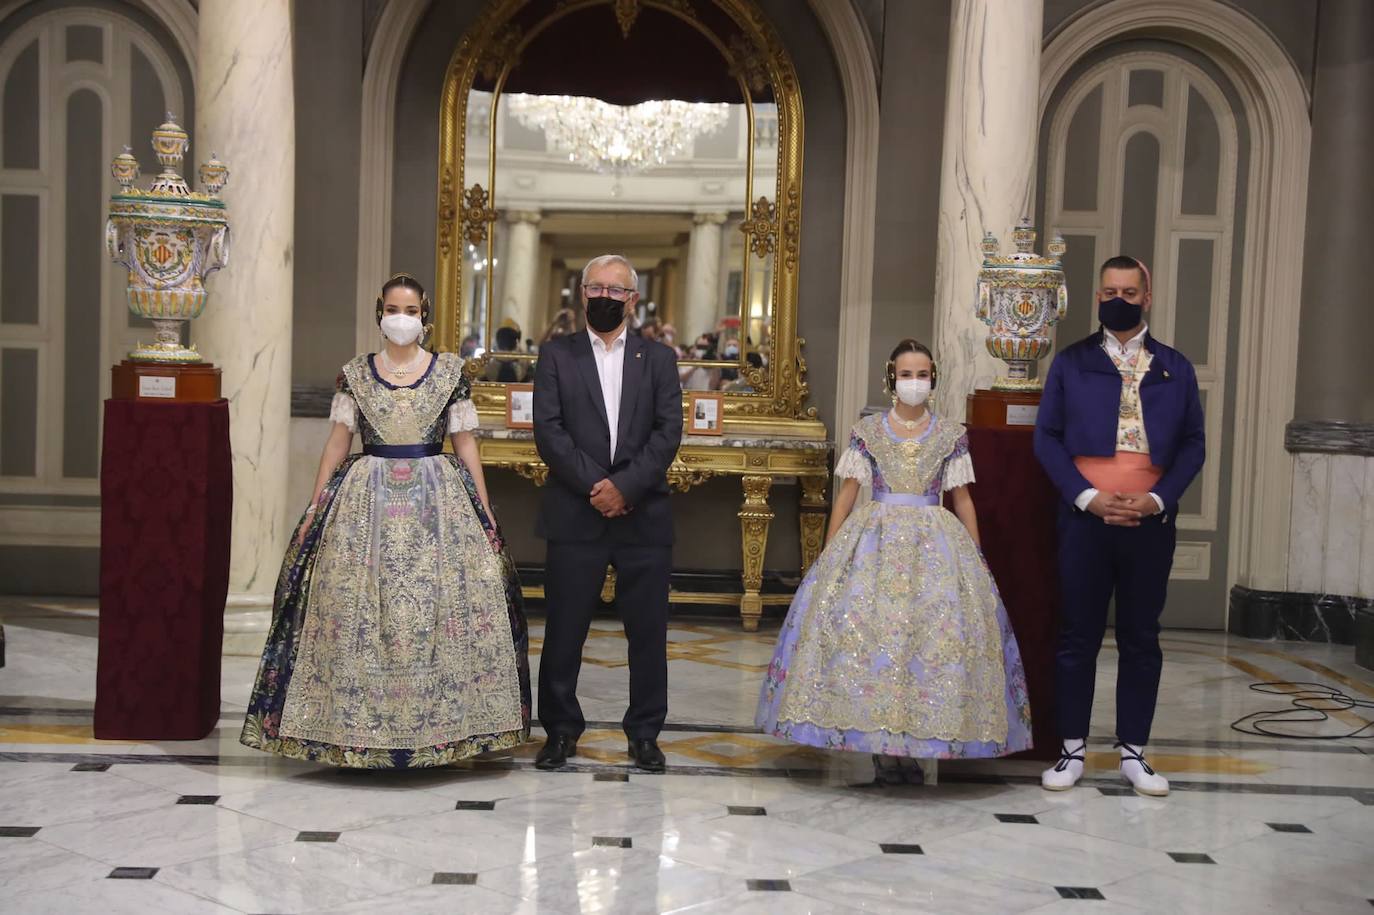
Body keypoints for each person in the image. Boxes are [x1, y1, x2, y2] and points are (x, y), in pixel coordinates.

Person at [240, 273, 530, 768]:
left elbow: (465, 445)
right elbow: (337, 441)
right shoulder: (354, 373)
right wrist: (315, 506)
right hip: (363, 499)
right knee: (357, 606)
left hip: (439, 501)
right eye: (393, 309)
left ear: (424, 316)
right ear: (380, 313)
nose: (402, 318)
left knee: (437, 609)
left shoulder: (450, 373)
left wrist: (484, 513)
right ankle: (349, 727)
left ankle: (447, 728)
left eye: (411, 310)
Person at [757, 339, 1032, 783]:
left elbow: (962, 500)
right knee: (874, 641)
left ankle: (920, 742)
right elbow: (846, 497)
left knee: (928, 643)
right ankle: (881, 744)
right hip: (874, 541)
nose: (914, 383)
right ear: (891, 379)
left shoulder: (950, 434)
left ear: (934, 380)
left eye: (922, 375)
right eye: (906, 375)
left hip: (935, 543)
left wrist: (976, 557)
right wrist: (830, 556)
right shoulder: (868, 432)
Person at [1034, 255, 1204, 797]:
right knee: (1077, 636)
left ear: (1147, 297)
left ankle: (1134, 752)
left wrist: (1156, 500)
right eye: (1110, 291)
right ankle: (1071, 751)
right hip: (1086, 519)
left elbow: (1194, 444)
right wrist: (1088, 497)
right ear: (1098, 296)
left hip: (1148, 523)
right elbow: (1047, 438)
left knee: (1140, 637)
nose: (1119, 300)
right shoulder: (1072, 361)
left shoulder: (1175, 366)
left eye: (1130, 292)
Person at [532, 254, 683, 772]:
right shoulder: (555, 356)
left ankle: (644, 734)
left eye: (614, 290)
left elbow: (668, 435)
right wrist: (596, 487)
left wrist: (624, 487)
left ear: (632, 300)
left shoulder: (659, 360)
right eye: (595, 287)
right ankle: (559, 731)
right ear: (581, 292)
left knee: (647, 634)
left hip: (643, 517)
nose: (603, 297)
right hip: (576, 513)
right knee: (564, 630)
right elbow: (549, 432)